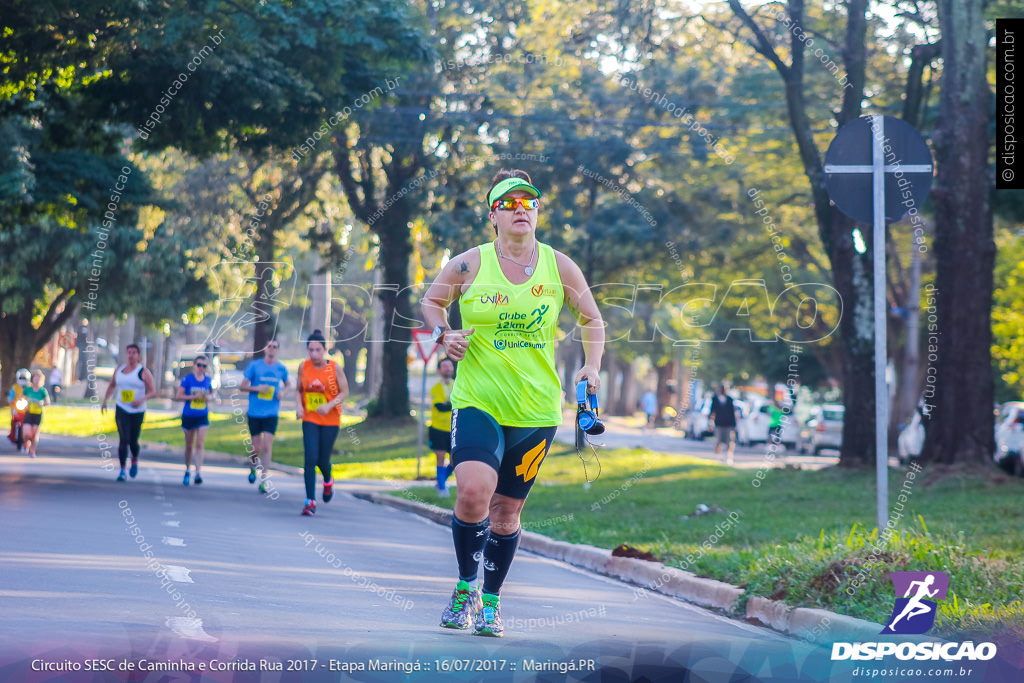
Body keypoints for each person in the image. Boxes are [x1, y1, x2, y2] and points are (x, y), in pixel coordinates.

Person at [421, 169, 604, 637]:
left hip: (538, 410)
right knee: (472, 494)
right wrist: (446, 334)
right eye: (510, 202)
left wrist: (591, 365)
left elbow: (592, 318)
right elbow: (432, 302)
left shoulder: (559, 266)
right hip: (478, 399)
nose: (522, 208)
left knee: (506, 512)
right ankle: (465, 585)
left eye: (530, 201)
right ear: (493, 216)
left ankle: (491, 600)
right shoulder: (469, 264)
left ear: (538, 211)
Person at [296, 330, 348, 516]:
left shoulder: (334, 368)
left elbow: (344, 392)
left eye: (318, 350)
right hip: (310, 417)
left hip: (330, 419)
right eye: (311, 350)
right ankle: (310, 501)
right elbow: (298, 390)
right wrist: (299, 407)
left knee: (322, 460)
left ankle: (327, 480)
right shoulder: (304, 367)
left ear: (325, 349)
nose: (314, 354)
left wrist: (329, 405)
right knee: (310, 458)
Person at [102, 343, 157, 481]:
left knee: (133, 441)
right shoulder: (119, 370)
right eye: (129, 352)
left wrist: (141, 400)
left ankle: (134, 459)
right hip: (121, 408)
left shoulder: (143, 372)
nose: (131, 355)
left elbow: (153, 391)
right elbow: (112, 385)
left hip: (137, 410)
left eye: (134, 352)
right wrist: (105, 401)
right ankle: (122, 470)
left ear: (138, 355)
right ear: (126, 354)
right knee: (123, 439)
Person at [240, 339, 289, 494]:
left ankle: (264, 479)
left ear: (278, 350)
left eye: (275, 347)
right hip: (255, 412)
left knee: (267, 446)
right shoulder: (255, 366)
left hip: (271, 413)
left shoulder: (281, 368)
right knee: (256, 448)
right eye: (269, 346)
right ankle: (253, 467)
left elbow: (288, 384)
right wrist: (257, 388)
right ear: (265, 349)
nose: (272, 349)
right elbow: (242, 386)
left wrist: (283, 392)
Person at [175, 355, 214, 485]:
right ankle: (187, 469)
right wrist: (193, 397)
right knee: (189, 445)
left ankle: (198, 472)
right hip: (189, 415)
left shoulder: (208, 380)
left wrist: (210, 397)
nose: (201, 368)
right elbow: (178, 396)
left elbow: (212, 393)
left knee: (200, 443)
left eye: (204, 366)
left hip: (202, 415)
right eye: (199, 365)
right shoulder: (187, 379)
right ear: (194, 365)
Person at [429, 357, 456, 497]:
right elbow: (441, 407)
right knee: (440, 457)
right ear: (440, 370)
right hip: (438, 428)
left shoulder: (458, 385)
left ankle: (441, 481)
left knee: (454, 460)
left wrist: (449, 404)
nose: (448, 368)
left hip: (454, 429)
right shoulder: (436, 388)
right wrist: (454, 403)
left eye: (450, 366)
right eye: (445, 366)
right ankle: (442, 488)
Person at [709, 384, 739, 464]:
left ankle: (728, 457)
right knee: (718, 441)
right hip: (718, 424)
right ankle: (716, 456)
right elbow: (712, 411)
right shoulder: (715, 399)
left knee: (729, 442)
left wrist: (734, 425)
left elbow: (732, 413)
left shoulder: (729, 399)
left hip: (728, 424)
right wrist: (710, 422)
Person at [7, 368, 33, 453]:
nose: (23, 380)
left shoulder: (30, 387)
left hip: (27, 409)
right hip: (17, 408)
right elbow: (11, 397)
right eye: (21, 378)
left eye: (24, 378)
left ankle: (29, 439)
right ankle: (12, 434)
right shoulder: (15, 387)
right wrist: (11, 401)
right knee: (13, 420)